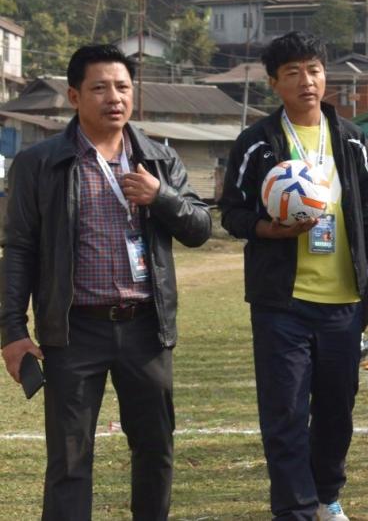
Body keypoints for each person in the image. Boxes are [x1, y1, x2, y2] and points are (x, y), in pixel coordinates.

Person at [0, 44, 211, 520]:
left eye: (122, 87)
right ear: (74, 96)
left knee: (155, 451)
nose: (113, 97)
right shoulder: (39, 164)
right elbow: (18, 251)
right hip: (75, 331)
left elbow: (200, 228)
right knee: (70, 461)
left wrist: (163, 198)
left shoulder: (158, 160)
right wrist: (13, 332)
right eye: (99, 88)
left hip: (145, 328)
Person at [219, 31, 368, 521]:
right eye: (292, 73)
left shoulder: (352, 139)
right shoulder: (256, 144)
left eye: (313, 70)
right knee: (286, 413)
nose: (306, 81)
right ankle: (293, 510)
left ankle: (326, 494)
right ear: (275, 83)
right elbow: (230, 211)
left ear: (325, 75)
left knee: (337, 409)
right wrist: (266, 229)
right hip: (282, 303)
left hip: (343, 302)